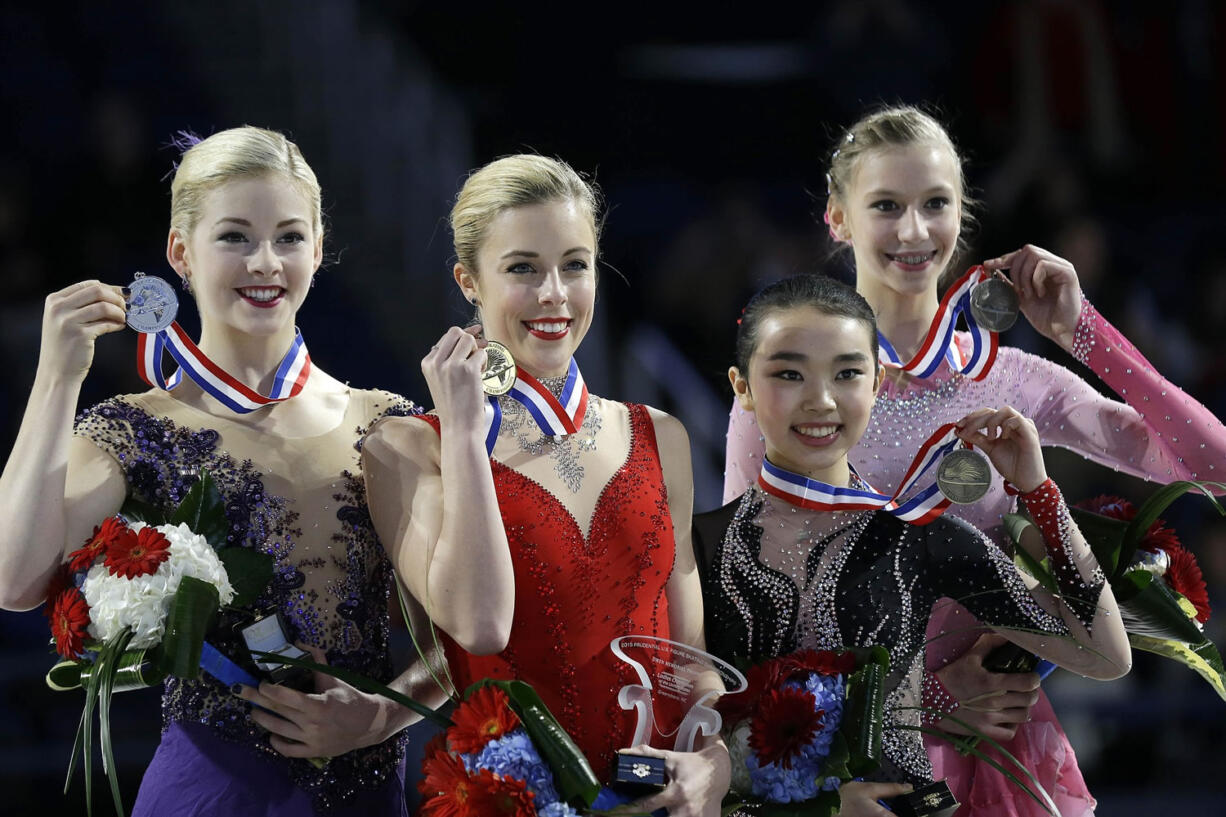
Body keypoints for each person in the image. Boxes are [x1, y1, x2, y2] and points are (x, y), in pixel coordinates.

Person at [723, 106, 1226, 817]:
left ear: (964, 214)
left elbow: (1213, 464)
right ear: (838, 218)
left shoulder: (1014, 379)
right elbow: (751, 620)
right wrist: (926, 699)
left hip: (1000, 760)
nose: (913, 230)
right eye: (885, 206)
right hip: (848, 763)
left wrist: (1083, 332)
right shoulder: (786, 392)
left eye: (935, 204)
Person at [0, 126, 445, 816]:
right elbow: (14, 577)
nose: (265, 261)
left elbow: (463, 632)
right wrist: (56, 380)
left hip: (363, 794)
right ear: (182, 250)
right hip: (203, 793)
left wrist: (383, 716)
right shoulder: (134, 426)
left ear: (320, 248)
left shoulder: (386, 424)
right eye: (235, 236)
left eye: (290, 237)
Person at [363, 154, 729, 817]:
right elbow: (476, 625)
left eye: (575, 264)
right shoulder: (407, 447)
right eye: (523, 268)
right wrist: (465, 437)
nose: (554, 293)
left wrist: (714, 760)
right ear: (468, 281)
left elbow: (689, 658)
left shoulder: (660, 434)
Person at [698, 274, 1130, 815]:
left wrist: (1038, 493)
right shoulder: (700, 545)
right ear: (742, 386)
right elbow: (689, 732)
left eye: (848, 373)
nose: (821, 399)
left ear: (876, 383)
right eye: (789, 373)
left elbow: (1104, 651)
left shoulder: (922, 537)